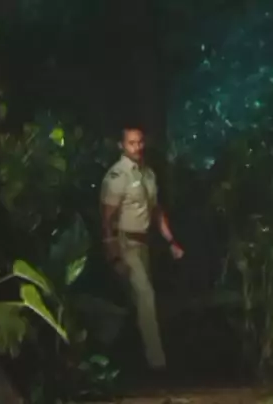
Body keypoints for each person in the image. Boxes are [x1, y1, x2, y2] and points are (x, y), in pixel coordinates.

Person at [100, 126, 184, 373]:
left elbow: (156, 211)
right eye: (131, 143)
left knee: (137, 301)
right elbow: (107, 217)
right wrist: (112, 252)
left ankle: (129, 359)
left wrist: (171, 241)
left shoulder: (148, 174)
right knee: (145, 296)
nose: (137, 147)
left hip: (144, 244)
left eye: (139, 142)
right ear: (122, 145)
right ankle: (157, 363)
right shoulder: (117, 176)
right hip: (126, 244)